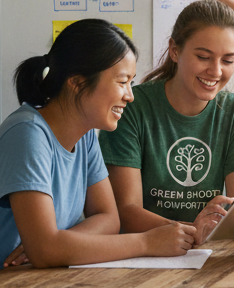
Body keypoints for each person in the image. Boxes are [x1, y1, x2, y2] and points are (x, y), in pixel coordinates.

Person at [99, 0, 234, 250]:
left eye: (228, 60)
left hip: (204, 251)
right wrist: (192, 230)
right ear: (174, 50)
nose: (216, 71)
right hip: (143, 250)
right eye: (204, 57)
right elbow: (126, 211)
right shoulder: (132, 105)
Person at [0, 19, 196, 270]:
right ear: (78, 83)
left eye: (131, 83)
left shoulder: (86, 135)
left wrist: (59, 244)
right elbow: (46, 252)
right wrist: (147, 242)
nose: (130, 96)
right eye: (122, 82)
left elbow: (109, 219)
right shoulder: (26, 134)